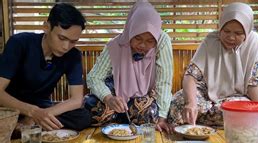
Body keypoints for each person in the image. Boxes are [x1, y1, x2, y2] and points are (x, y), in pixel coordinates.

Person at [167, 2, 258, 127]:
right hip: (207, 92)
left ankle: (199, 120)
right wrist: (191, 103)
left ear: (247, 32)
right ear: (220, 27)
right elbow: (190, 76)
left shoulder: (254, 43)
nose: (231, 37)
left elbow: (255, 85)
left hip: (237, 97)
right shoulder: (211, 41)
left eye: (238, 33)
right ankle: (199, 119)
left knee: (240, 110)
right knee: (179, 100)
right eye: (226, 31)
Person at [0, 3, 90, 131]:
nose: (66, 47)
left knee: (83, 117)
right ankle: (24, 126)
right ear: (46, 27)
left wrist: (40, 115)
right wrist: (32, 111)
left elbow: (77, 100)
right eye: (62, 38)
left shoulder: (73, 55)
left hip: (41, 106)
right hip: (11, 106)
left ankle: (26, 126)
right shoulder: (19, 43)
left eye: (73, 41)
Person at [86, 0, 173, 132]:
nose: (143, 46)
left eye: (149, 41)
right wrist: (108, 98)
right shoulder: (116, 45)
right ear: (130, 30)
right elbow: (94, 77)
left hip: (146, 93)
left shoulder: (162, 41)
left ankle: (121, 117)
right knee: (95, 112)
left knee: (148, 115)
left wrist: (162, 118)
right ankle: (121, 116)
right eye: (138, 38)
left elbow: (164, 81)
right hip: (116, 92)